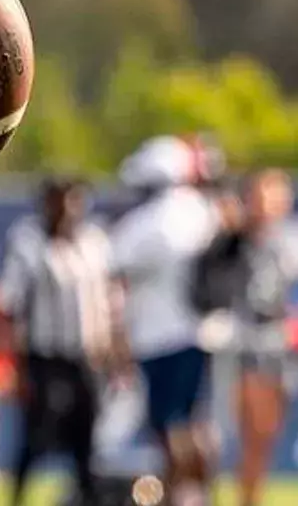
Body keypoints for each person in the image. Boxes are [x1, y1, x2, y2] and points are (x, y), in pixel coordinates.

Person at [108, 136, 226, 506]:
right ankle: (202, 494)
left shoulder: (146, 223)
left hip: (161, 337)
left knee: (170, 424)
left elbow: (112, 270)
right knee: (197, 421)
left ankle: (180, 495)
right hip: (204, 332)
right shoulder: (204, 211)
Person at [0, 176, 118, 506]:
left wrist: (116, 352)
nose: (68, 210)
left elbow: (108, 301)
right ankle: (17, 497)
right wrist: (12, 365)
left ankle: (86, 497)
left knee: (87, 434)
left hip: (86, 356)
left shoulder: (94, 240)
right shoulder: (28, 241)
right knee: (37, 434)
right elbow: (10, 304)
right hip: (44, 357)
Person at [190, 168, 293, 506]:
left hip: (277, 346)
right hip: (242, 345)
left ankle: (250, 497)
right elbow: (208, 289)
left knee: (264, 436)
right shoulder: (232, 241)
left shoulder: (281, 242)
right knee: (233, 432)